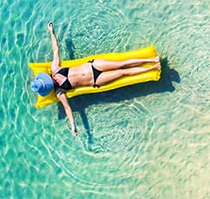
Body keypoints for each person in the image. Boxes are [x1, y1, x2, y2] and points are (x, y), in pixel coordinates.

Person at [30, 22, 160, 136]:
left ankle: (151, 59)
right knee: (123, 73)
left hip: (94, 65)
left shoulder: (55, 68)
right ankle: (152, 68)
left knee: (122, 63)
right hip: (97, 80)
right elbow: (68, 109)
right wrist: (73, 127)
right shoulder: (59, 92)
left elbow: (55, 49)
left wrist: (51, 32)